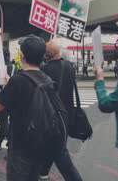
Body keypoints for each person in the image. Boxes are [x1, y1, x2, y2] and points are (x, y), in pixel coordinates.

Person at [0, 35, 66, 181]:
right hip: (42, 142)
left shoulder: (19, 80)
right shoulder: (46, 78)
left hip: (21, 144)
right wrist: (10, 84)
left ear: (22, 55)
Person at [38, 41, 83, 181]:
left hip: (53, 116)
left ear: (48, 54)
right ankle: (42, 173)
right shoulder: (70, 66)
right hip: (66, 115)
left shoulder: (45, 70)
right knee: (50, 149)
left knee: (60, 154)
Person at [0, 48, 12, 151]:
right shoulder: (13, 67)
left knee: (3, 121)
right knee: (4, 121)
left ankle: (12, 144)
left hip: (0, 98)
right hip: (11, 99)